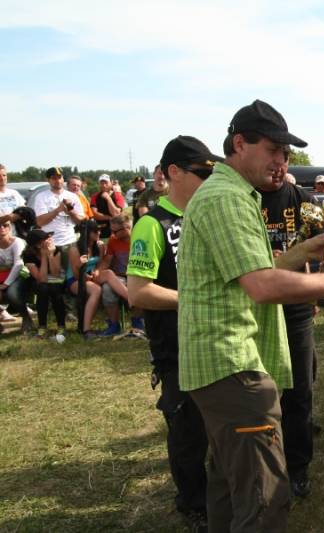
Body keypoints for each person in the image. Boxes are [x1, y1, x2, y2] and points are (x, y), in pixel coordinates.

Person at [178, 99, 324, 532]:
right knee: (264, 501)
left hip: (222, 366)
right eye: (273, 149)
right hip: (233, 367)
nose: (281, 161)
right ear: (239, 144)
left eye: (286, 153)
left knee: (230, 491)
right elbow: (263, 285)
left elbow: (254, 271)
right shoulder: (227, 199)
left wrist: (305, 250)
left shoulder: (230, 194)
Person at [127, 135, 219, 531]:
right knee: (188, 433)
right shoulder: (152, 224)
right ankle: (194, 505)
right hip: (177, 349)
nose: (209, 180)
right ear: (174, 173)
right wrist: (192, 300)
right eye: (202, 173)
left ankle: (219, 497)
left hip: (216, 341)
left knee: (217, 430)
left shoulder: (208, 217)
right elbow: (138, 292)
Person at [259, 155, 321, 498]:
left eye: (284, 160)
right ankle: (262, 457)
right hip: (257, 303)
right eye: (273, 159)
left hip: (294, 304)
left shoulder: (303, 200)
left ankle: (298, 466)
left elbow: (319, 242)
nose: (279, 166)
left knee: (300, 387)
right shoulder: (246, 197)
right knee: (260, 387)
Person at [95, 214, 143, 336]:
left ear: (127, 228)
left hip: (137, 274)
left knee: (140, 285)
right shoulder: (113, 240)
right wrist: (98, 270)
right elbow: (107, 261)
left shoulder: (140, 239)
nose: (112, 234)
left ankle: (137, 322)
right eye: (111, 230)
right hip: (119, 276)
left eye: (115, 231)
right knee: (107, 289)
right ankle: (114, 325)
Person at [32, 167, 84, 265]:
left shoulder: (73, 196)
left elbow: (81, 221)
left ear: (63, 179)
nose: (57, 180)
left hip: (70, 241)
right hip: (51, 243)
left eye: (59, 177)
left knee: (73, 271)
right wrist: (57, 210)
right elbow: (40, 222)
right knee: (55, 274)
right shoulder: (41, 197)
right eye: (54, 178)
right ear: (48, 180)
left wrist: (71, 211)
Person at [22, 229, 66, 339]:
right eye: (46, 238)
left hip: (55, 279)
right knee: (43, 289)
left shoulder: (56, 250)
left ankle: (61, 326)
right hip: (38, 281)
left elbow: (55, 274)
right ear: (38, 244)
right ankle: (42, 327)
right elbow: (41, 278)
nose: (49, 240)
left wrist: (50, 255)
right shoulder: (28, 255)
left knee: (55, 289)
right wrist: (43, 257)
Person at [65, 219, 105, 339]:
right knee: (96, 290)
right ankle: (86, 329)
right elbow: (76, 274)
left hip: (91, 275)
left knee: (109, 275)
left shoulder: (100, 246)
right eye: (95, 231)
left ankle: (130, 300)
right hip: (75, 279)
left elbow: (100, 264)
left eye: (99, 230)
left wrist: (96, 271)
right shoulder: (75, 249)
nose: (99, 233)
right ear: (87, 233)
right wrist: (84, 273)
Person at [0, 219, 32, 332]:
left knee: (12, 293)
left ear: (10, 227)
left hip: (22, 275)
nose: (2, 227)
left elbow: (18, 265)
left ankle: (26, 318)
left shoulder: (17, 242)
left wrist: (5, 284)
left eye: (5, 225)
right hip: (3, 276)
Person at [0, 163, 26, 230]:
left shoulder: (14, 193)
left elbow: (24, 210)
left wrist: (19, 215)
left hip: (17, 233)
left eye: (4, 175)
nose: (2, 178)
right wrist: (7, 217)